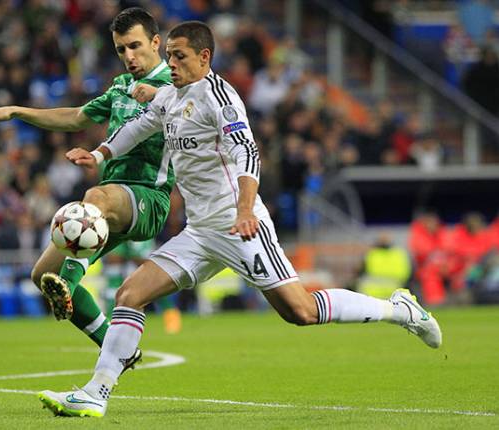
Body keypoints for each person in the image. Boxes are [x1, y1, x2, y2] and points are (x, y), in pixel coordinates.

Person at [38, 21, 442, 418]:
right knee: (130, 295)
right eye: (170, 56)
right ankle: (96, 393)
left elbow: (248, 153)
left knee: (299, 311)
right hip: (199, 232)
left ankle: (399, 310)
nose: (171, 63)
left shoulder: (221, 98)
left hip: (239, 226)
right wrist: (99, 155)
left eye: (179, 57)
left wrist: (247, 209)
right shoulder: (169, 97)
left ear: (204, 56)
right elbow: (138, 128)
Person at [0, 8, 173, 365]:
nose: (128, 57)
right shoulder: (120, 87)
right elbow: (77, 117)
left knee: (93, 198)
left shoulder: (175, 88)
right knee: (41, 274)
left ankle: (69, 282)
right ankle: (117, 349)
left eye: (135, 46)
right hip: (108, 203)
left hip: (149, 198)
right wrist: (17, 111)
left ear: (156, 42)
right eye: (120, 50)